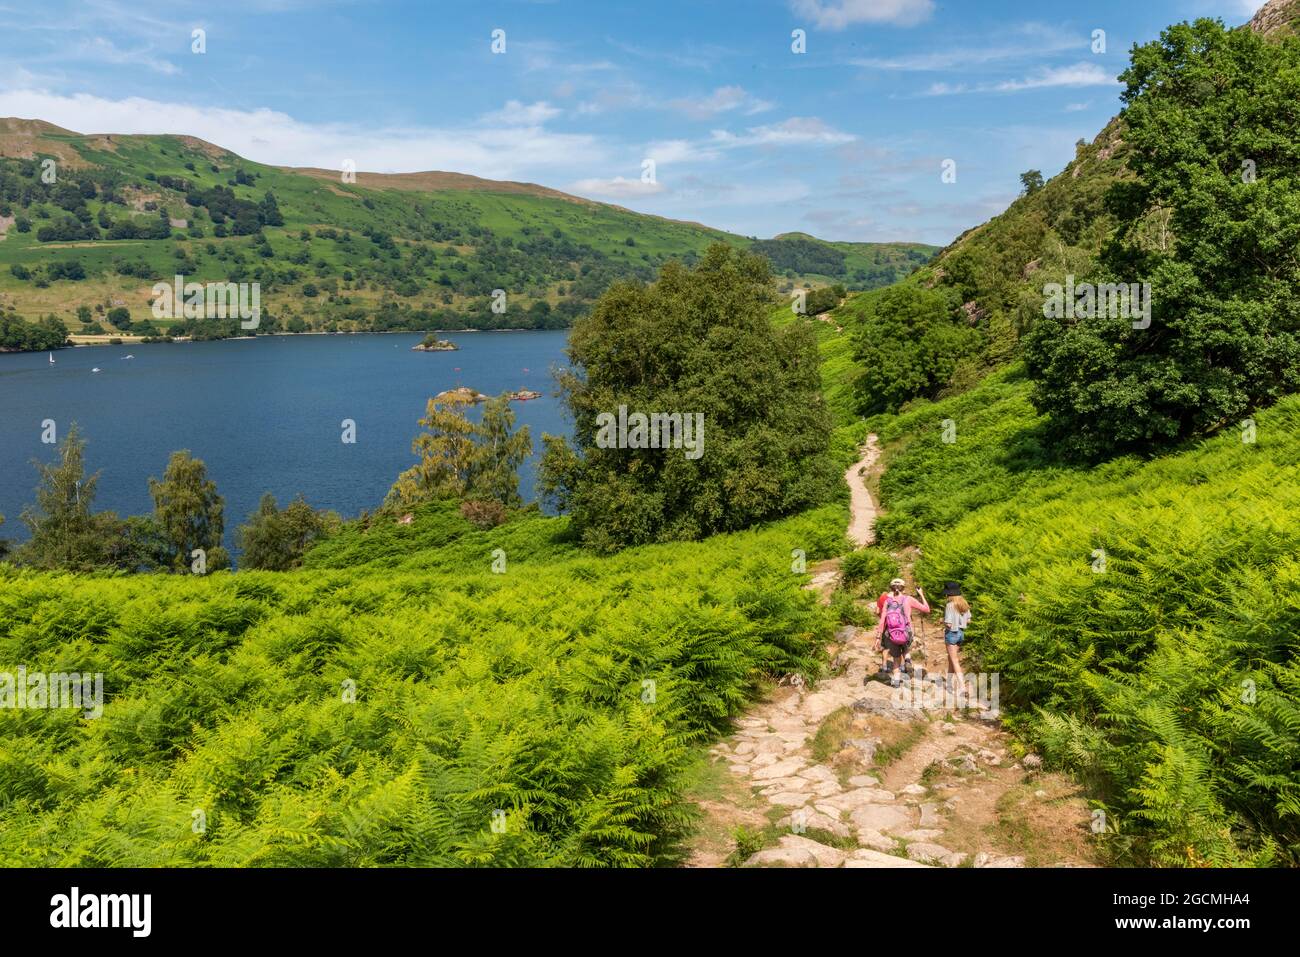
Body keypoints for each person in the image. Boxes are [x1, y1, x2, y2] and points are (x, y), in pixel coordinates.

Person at [875, 578, 929, 686]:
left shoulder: (887, 601)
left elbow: (882, 620)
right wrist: (921, 594)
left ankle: (896, 680)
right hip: (906, 631)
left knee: (896, 658)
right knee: (905, 645)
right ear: (903, 588)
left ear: (891, 588)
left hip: (891, 633)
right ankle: (907, 659)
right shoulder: (908, 599)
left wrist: (878, 636)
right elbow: (926, 609)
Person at [942, 581, 971, 699]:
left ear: (950, 594)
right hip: (961, 634)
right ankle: (949, 683)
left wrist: (943, 621)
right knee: (951, 659)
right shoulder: (964, 604)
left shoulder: (950, 605)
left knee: (954, 661)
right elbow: (969, 621)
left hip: (951, 633)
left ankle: (962, 688)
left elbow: (948, 624)